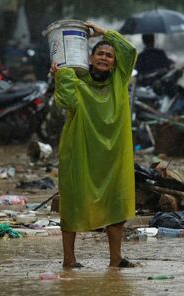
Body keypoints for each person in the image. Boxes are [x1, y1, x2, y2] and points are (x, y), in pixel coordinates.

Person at [50, 22, 137, 268]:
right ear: (90, 57)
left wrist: (104, 32)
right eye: (100, 53)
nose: (105, 58)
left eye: (109, 56)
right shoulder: (77, 81)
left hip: (114, 157)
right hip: (80, 153)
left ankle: (116, 259)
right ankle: (69, 259)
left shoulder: (120, 80)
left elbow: (129, 51)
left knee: (117, 206)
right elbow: (66, 101)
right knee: (73, 202)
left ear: (114, 62)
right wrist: (62, 73)